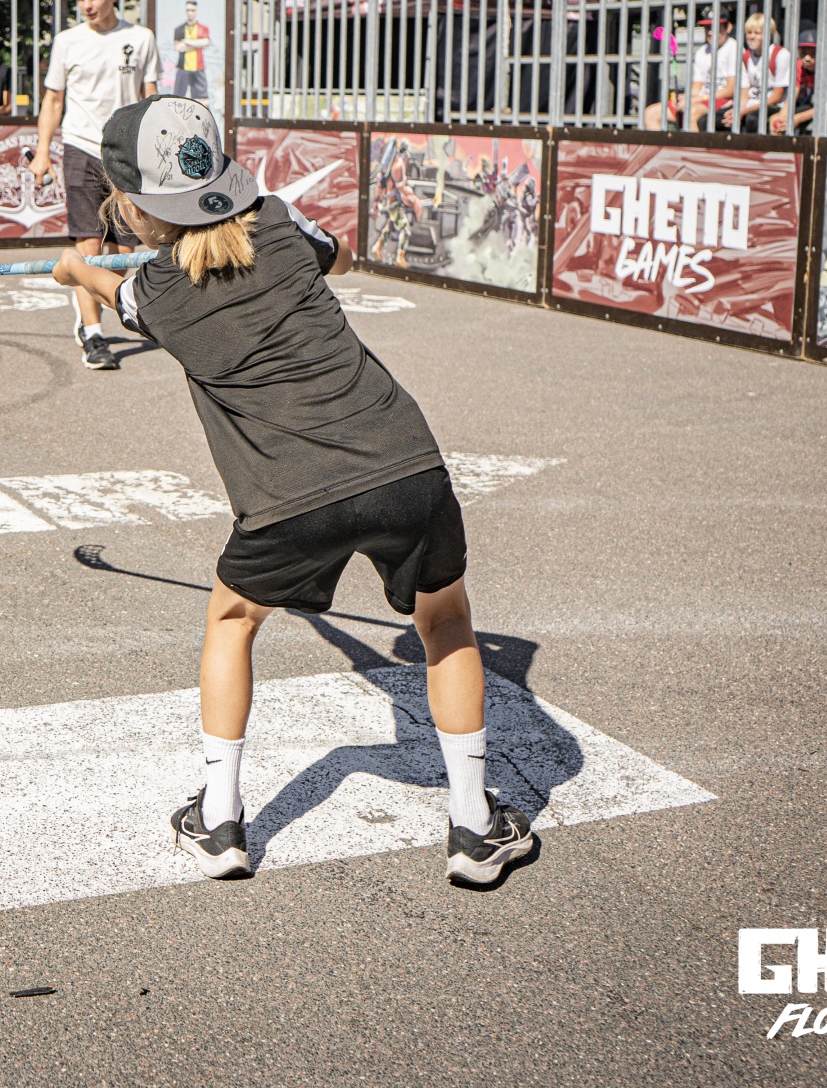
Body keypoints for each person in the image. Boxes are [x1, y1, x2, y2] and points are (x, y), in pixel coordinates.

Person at [50, 95, 535, 888]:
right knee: (445, 621)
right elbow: (333, 255)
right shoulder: (278, 220)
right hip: (404, 464)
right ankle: (475, 830)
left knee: (232, 620)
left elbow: (114, 292)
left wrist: (73, 270)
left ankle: (220, 823)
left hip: (290, 497)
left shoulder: (159, 295)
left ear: (135, 208)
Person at [28, 0, 160, 369]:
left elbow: (150, 96)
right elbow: (53, 100)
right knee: (88, 246)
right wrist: (42, 151)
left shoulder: (140, 38)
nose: (87, 4)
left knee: (124, 251)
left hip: (126, 153)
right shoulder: (67, 41)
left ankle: (106, 307)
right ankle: (93, 333)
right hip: (81, 148)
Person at [643, 15, 736, 132]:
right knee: (650, 113)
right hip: (702, 100)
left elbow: (730, 90)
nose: (710, 32)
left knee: (690, 112)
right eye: (707, 27)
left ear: (728, 27)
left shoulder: (734, 48)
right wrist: (685, 97)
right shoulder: (701, 52)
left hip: (725, 101)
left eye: (716, 27)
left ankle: (693, 145)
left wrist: (700, 98)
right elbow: (696, 88)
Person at [725, 14, 793, 132]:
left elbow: (776, 97)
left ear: (769, 34)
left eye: (757, 33)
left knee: (752, 119)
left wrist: (744, 111)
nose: (752, 36)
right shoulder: (745, 57)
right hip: (752, 104)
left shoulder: (780, 55)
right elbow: (744, 94)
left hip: (773, 106)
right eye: (749, 32)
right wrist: (737, 111)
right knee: (719, 117)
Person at [788, 27, 827, 134]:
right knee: (782, 121)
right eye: (803, 53)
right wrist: (782, 116)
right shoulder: (799, 65)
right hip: (814, 106)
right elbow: (791, 97)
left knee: (825, 128)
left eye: (814, 53)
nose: (807, 58)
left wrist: (799, 118)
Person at [171, 1, 212, 101]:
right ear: (185, 11)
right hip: (183, 67)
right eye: (188, 10)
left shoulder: (203, 28)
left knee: (202, 98)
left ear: (196, 12)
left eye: (193, 10)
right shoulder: (179, 29)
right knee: (178, 97)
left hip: (198, 67)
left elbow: (206, 42)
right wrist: (198, 44)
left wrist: (186, 42)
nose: (190, 13)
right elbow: (179, 47)